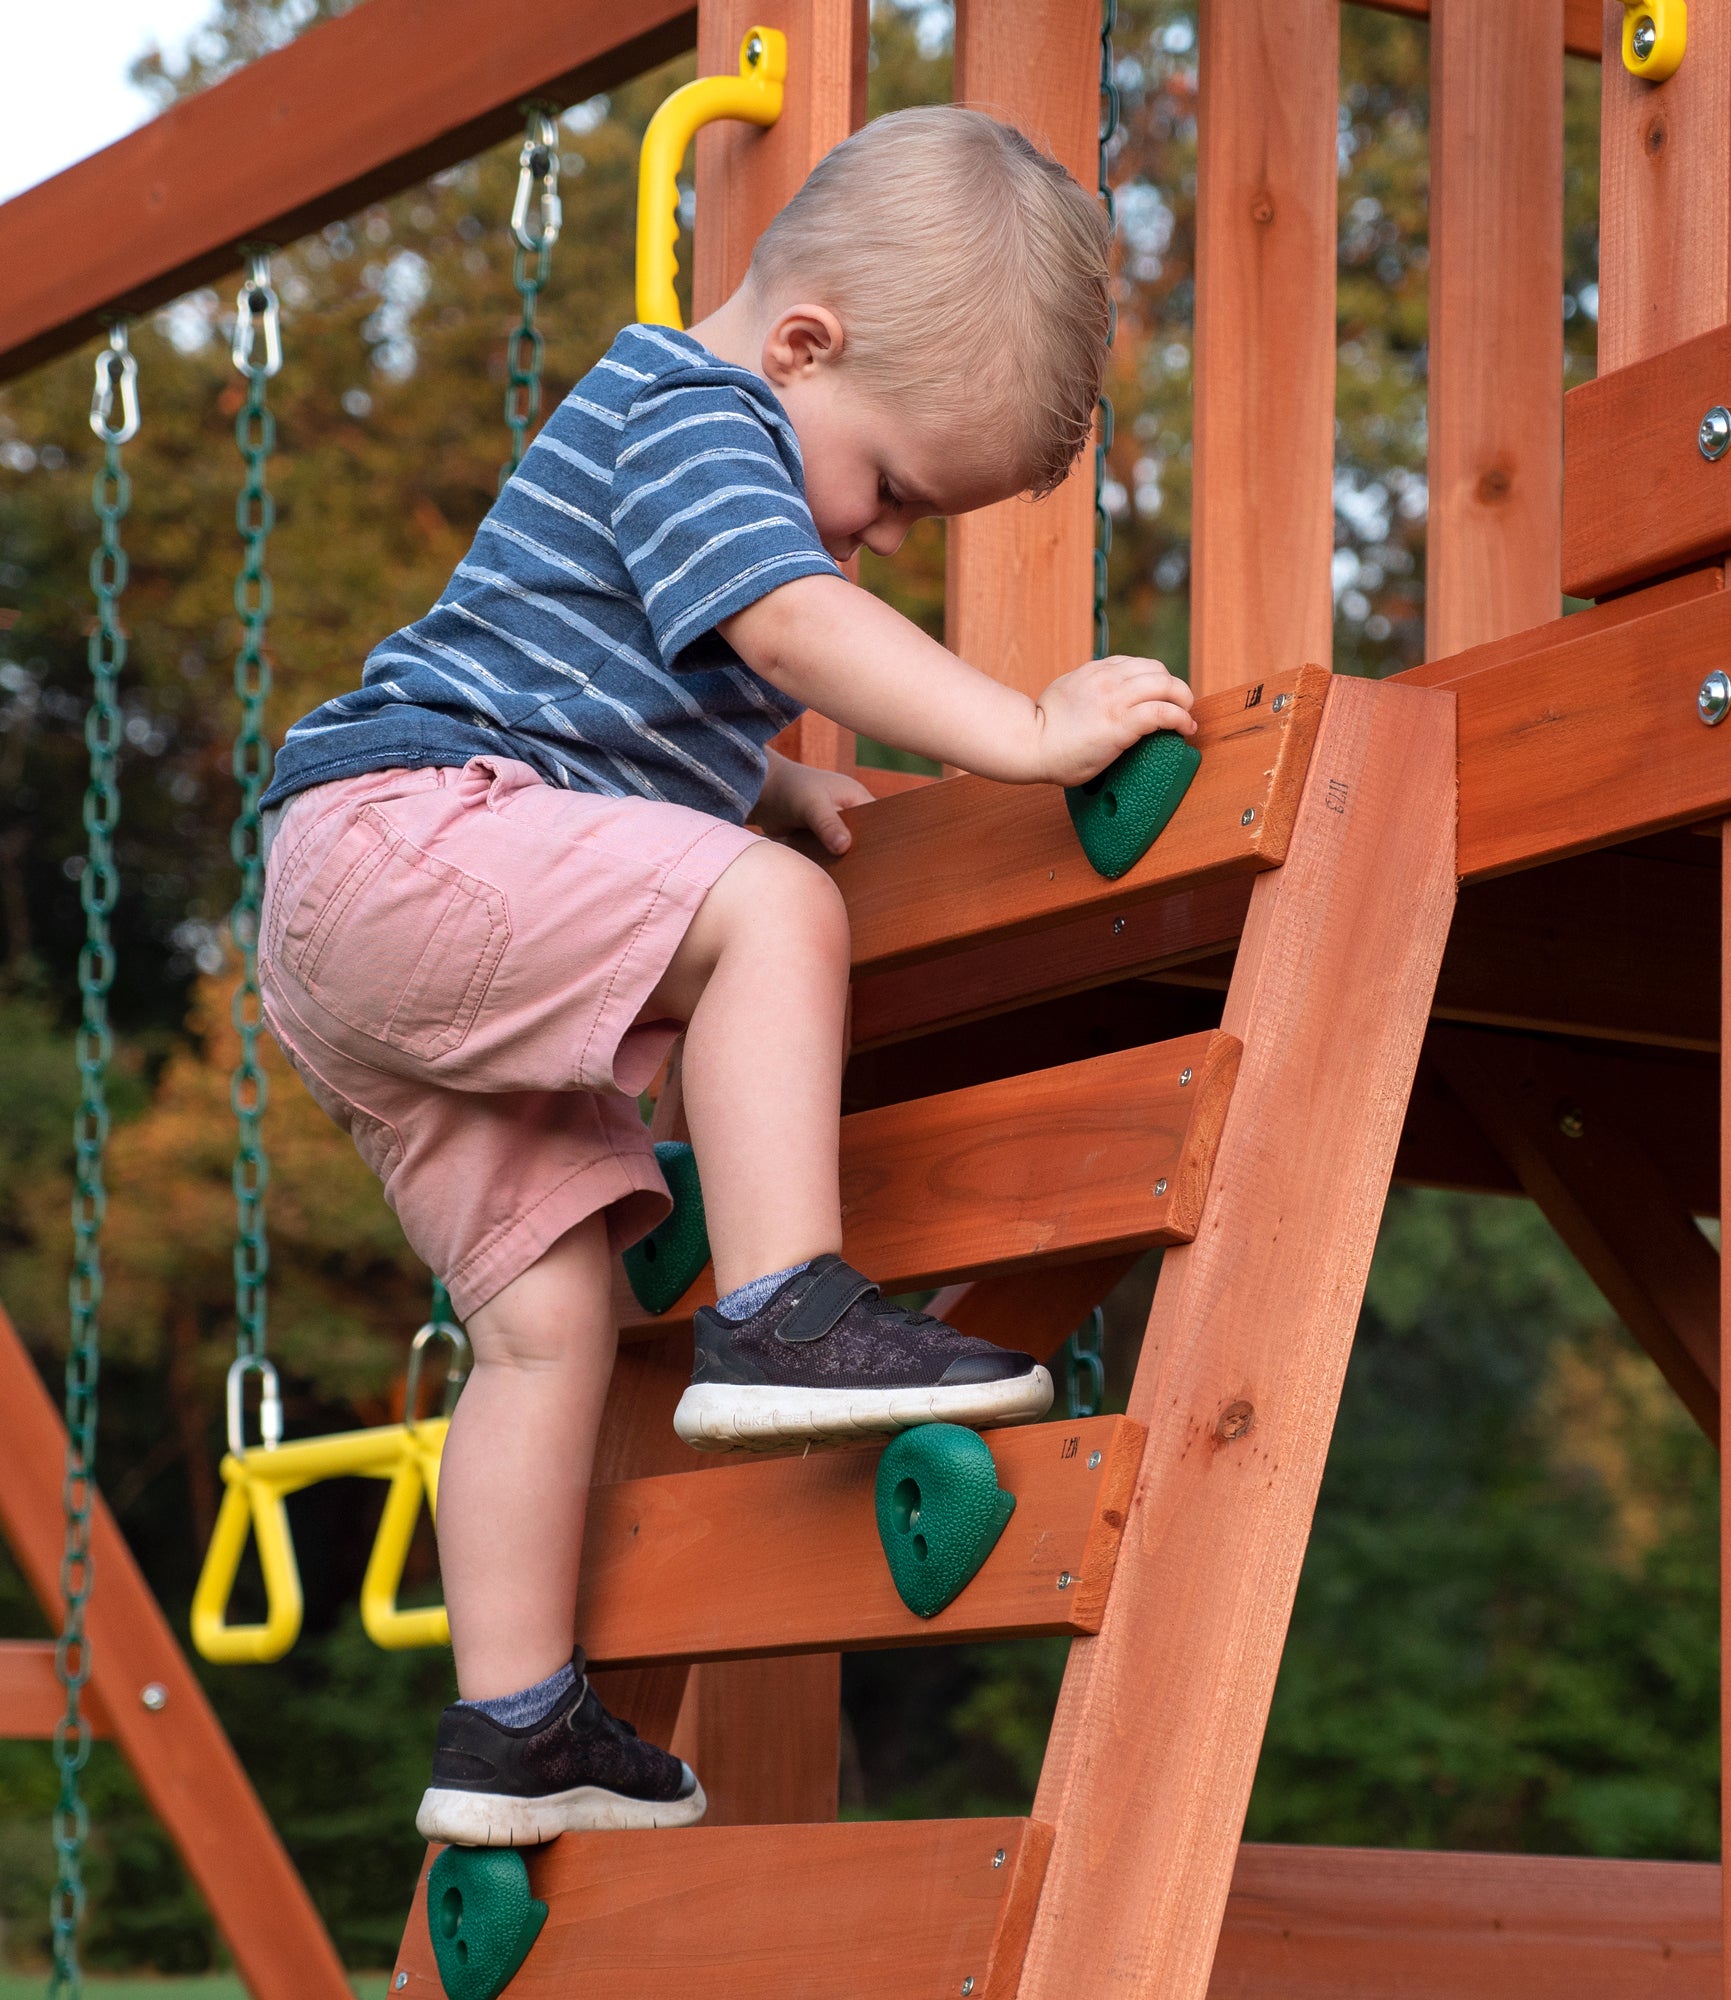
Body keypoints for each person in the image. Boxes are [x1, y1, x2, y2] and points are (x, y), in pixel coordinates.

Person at [257, 105, 1194, 1847]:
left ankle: (515, 1726)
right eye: (898, 490)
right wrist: (1020, 728)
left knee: (546, 1335)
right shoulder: (694, 407)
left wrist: (764, 773)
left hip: (363, 916)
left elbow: (602, 681)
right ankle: (784, 1306)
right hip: (408, 835)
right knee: (773, 917)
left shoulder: (706, 446)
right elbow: (777, 622)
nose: (883, 541)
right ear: (801, 347)